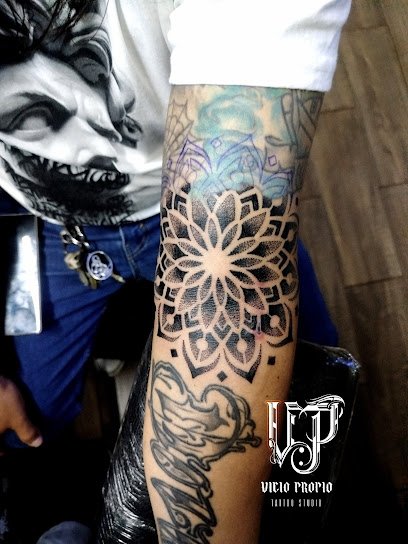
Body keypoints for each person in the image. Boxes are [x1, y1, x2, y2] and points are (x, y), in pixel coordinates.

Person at [0, 0, 351, 541]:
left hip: (187, 200)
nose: (97, 138)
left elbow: (232, 280)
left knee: (311, 397)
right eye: (37, 117)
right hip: (49, 223)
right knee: (26, 416)